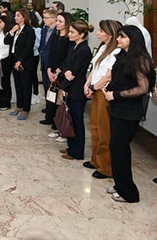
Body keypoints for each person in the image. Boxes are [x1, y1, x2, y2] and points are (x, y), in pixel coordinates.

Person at [104, 25, 155, 203]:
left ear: (133, 39)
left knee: (120, 148)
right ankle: (120, 184)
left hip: (129, 110)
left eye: (123, 37)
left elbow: (143, 88)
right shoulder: (122, 56)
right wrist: (108, 89)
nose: (118, 39)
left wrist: (116, 95)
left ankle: (129, 193)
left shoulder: (140, 60)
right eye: (119, 36)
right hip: (117, 107)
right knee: (115, 147)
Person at [83, 20, 122, 179]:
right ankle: (95, 160)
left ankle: (106, 167)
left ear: (110, 34)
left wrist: (94, 87)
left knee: (104, 129)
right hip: (95, 89)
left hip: (104, 92)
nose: (98, 33)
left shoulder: (116, 51)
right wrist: (87, 84)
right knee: (94, 127)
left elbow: (108, 76)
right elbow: (95, 68)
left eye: (101, 30)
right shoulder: (102, 48)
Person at [57, 21, 94, 161]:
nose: (69, 34)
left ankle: (77, 151)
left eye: (72, 32)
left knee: (77, 120)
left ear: (82, 34)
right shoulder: (74, 46)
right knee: (70, 119)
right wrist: (65, 72)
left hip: (77, 90)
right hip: (70, 88)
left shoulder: (84, 50)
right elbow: (67, 65)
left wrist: (65, 82)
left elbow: (75, 72)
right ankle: (71, 146)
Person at [43, 12, 74, 133]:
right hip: (52, 69)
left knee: (60, 99)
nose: (57, 23)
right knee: (51, 95)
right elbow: (51, 53)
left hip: (62, 71)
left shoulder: (69, 39)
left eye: (60, 21)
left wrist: (59, 70)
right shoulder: (55, 35)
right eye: (57, 21)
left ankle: (58, 123)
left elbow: (68, 57)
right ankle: (50, 118)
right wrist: (49, 69)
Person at [4, 9, 36, 120]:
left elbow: (28, 47)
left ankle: (26, 109)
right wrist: (11, 32)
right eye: (15, 15)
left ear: (24, 17)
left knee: (25, 86)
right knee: (18, 85)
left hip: (25, 62)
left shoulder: (29, 30)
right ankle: (19, 105)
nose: (15, 18)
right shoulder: (15, 29)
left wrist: (20, 60)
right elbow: (6, 41)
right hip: (13, 58)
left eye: (18, 16)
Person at [38, 9, 57, 119]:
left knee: (53, 88)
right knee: (46, 86)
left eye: (46, 18)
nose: (44, 20)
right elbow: (42, 44)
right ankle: (48, 107)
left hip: (52, 63)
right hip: (44, 61)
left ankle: (53, 112)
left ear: (53, 19)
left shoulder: (57, 31)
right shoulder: (44, 30)